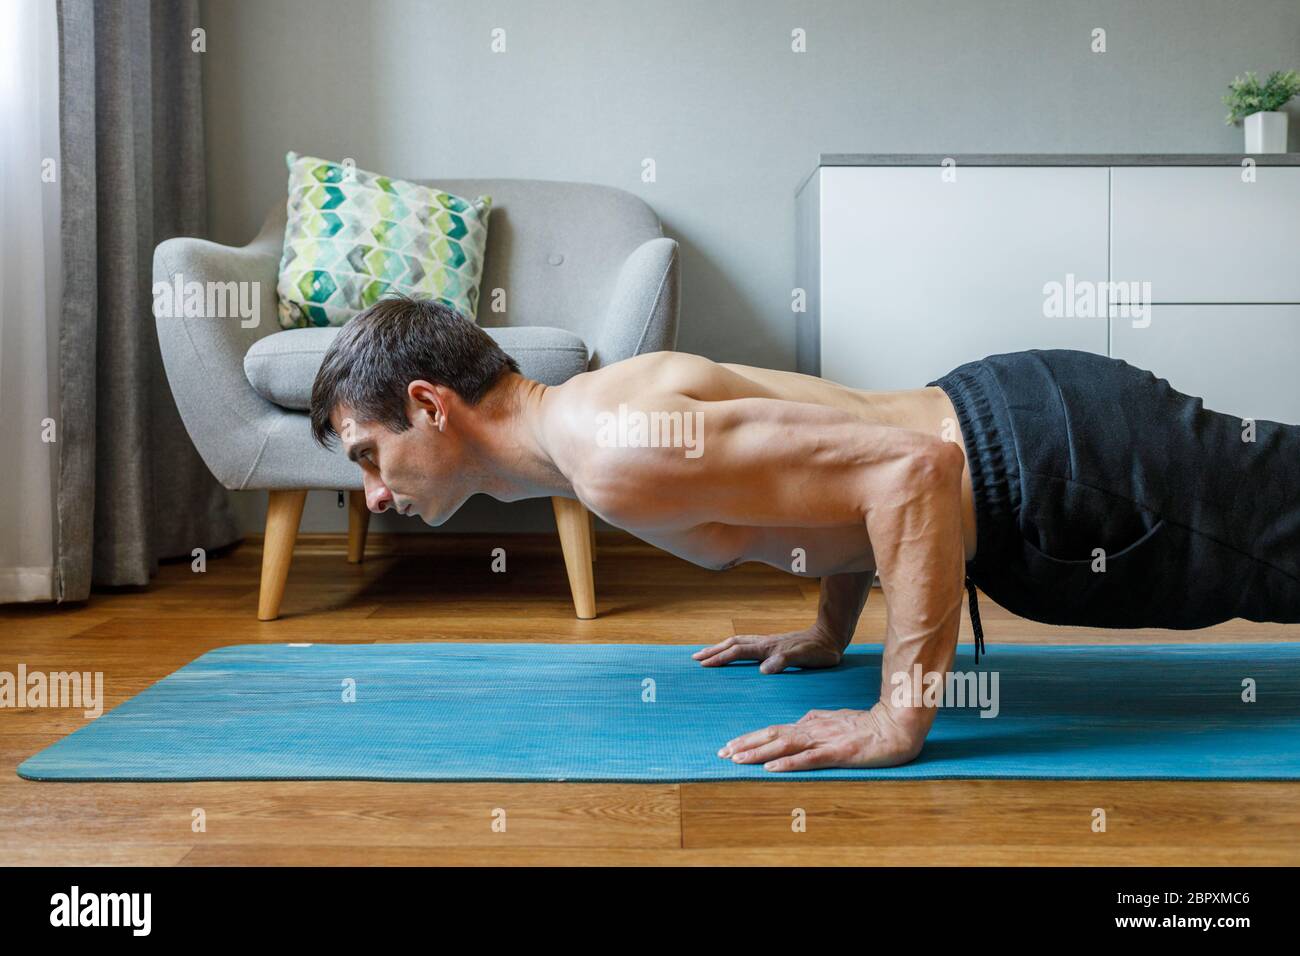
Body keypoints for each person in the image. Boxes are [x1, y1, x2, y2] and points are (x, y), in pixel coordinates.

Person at [309, 295, 1300, 770]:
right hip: (1032, 443)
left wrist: (896, 716)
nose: (373, 494)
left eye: (365, 454)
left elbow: (911, 470)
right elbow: (842, 485)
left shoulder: (612, 448)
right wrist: (830, 633)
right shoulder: (595, 425)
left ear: (431, 404)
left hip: (1057, 472)